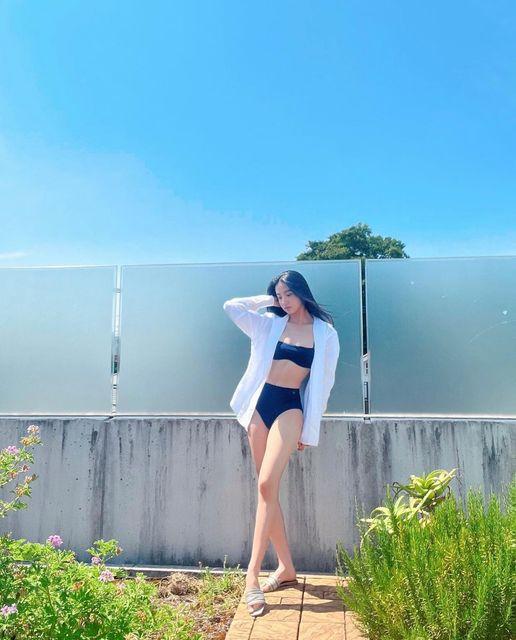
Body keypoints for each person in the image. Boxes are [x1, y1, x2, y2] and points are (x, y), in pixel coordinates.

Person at [222, 270, 340, 616]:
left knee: (266, 484)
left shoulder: (325, 333)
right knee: (267, 491)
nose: (285, 301)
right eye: (280, 295)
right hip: (260, 407)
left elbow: (324, 384)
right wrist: (268, 300)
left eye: (289, 294)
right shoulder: (269, 323)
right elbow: (231, 307)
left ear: (303, 292)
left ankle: (252, 577)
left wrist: (308, 430)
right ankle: (286, 568)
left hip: (290, 407)